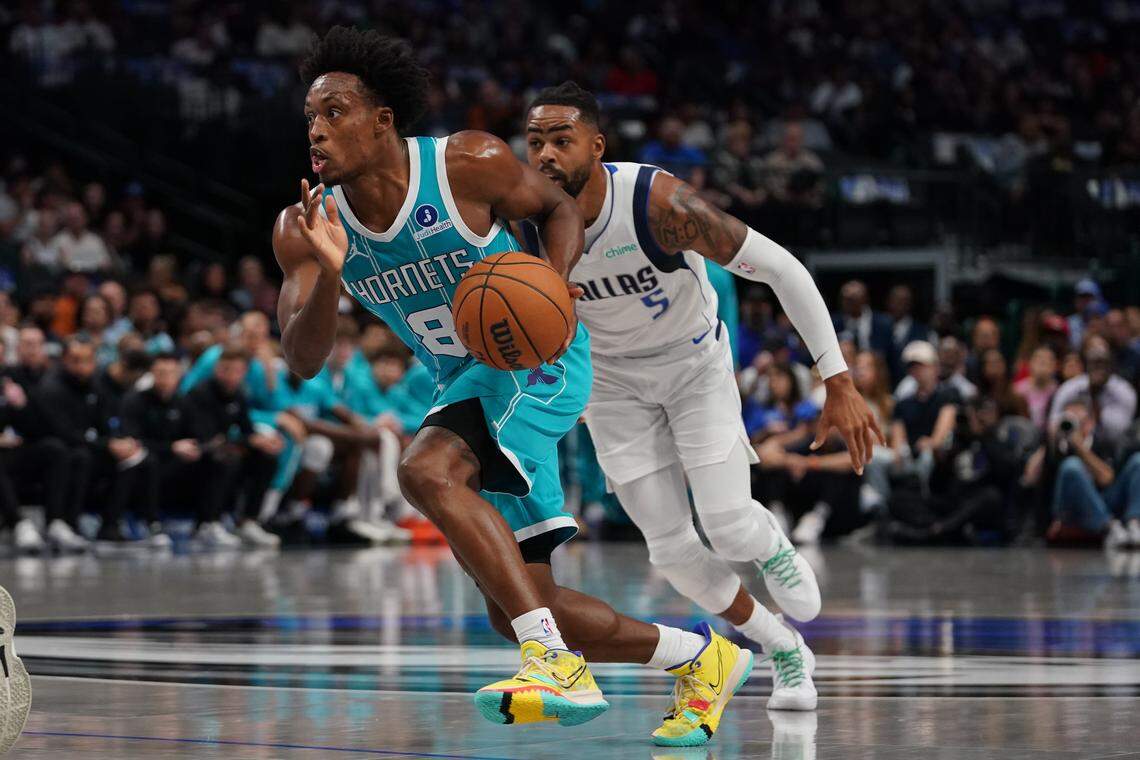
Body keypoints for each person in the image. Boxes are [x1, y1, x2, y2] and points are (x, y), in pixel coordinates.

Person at [273, 28, 749, 746]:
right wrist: (331, 276)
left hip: (538, 361)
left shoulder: (466, 163)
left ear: (382, 120)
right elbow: (303, 359)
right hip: (463, 379)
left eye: (334, 112)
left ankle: (552, 665)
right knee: (521, 603)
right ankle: (704, 659)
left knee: (426, 469)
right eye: (310, 115)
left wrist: (553, 288)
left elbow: (558, 209)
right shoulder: (305, 227)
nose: (316, 128)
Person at [522, 81, 882, 712]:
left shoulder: (658, 203)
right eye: (535, 142)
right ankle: (783, 647)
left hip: (692, 364)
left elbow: (782, 268)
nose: (546, 154)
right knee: (669, 550)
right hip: (610, 383)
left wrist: (838, 379)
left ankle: (769, 545)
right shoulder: (521, 218)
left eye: (561, 139)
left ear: (597, 146)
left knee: (728, 526)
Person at [181, 347, 283, 548]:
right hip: (194, 453)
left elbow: (246, 430)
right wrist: (247, 442)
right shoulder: (200, 393)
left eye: (237, 371)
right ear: (217, 369)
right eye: (226, 369)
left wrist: (262, 441)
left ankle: (248, 521)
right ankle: (207, 523)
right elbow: (207, 438)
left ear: (243, 372)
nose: (230, 376)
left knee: (266, 456)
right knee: (227, 458)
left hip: (224, 448)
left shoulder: (239, 394)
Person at [1024, 397, 1140, 548]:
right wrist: (1049, 443)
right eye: (1069, 421)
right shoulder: (1055, 446)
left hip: (1103, 502)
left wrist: (1080, 449)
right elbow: (1029, 477)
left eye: (1079, 421)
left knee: (1138, 461)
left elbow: (1107, 478)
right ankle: (1109, 527)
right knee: (1072, 466)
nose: (1074, 427)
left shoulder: (1102, 442)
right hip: (1068, 508)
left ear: (1091, 423)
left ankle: (1134, 523)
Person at [1049, 336, 1137, 445]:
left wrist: (1091, 416)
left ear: (1111, 366)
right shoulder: (1070, 388)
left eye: (1103, 363)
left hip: (1113, 447)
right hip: (1074, 444)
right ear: (1086, 366)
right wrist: (1073, 418)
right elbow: (1053, 423)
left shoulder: (1124, 391)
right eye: (1094, 363)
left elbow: (1120, 431)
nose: (1099, 368)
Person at [1013, 344, 1058, 430]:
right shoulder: (1018, 390)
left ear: (1054, 366)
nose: (1043, 363)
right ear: (1030, 364)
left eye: (1048, 361)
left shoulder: (1058, 391)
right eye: (1039, 360)